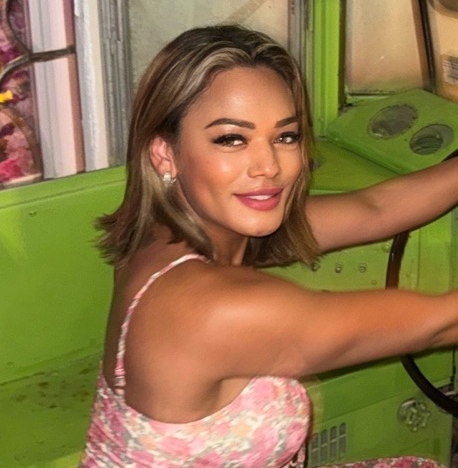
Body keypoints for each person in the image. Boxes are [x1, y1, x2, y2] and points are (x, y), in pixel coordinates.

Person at [80, 24, 458, 468]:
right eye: (231, 139)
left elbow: (374, 209)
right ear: (165, 153)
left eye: (285, 136)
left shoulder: (167, 234)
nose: (268, 166)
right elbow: (440, 325)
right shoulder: (215, 309)